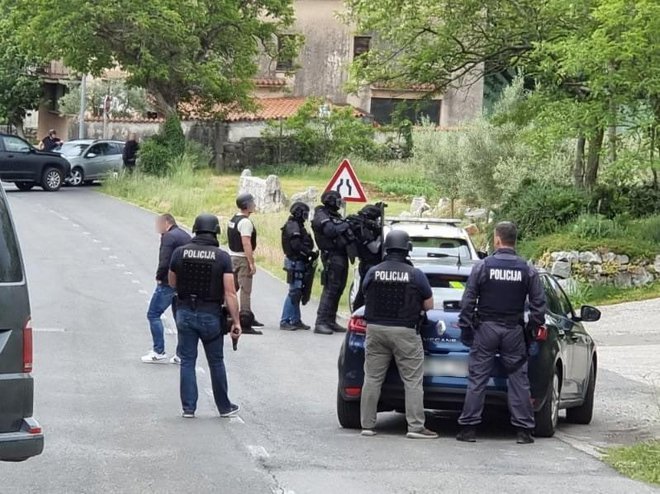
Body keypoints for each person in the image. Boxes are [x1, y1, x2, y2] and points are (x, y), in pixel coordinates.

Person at [456, 221, 546, 444]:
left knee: (477, 378)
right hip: (513, 329)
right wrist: (531, 329)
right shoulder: (526, 268)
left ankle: (468, 428)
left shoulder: (483, 266)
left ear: (497, 239)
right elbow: (538, 303)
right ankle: (524, 430)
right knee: (518, 378)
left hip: (486, 327)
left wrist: (467, 327)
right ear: (515, 240)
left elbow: (468, 300)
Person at [360, 230, 438, 439]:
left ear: (386, 248)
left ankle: (367, 425)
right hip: (404, 331)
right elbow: (429, 304)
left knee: (373, 378)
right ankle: (415, 427)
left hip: (375, 330)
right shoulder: (415, 274)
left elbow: (365, 295)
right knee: (412, 381)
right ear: (407, 250)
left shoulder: (373, 271)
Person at [168, 213, 242, 419]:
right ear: (216, 232)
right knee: (216, 362)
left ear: (195, 230)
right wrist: (236, 321)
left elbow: (172, 282)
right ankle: (224, 407)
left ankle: (188, 408)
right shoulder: (222, 257)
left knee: (188, 361)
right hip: (210, 314)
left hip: (184, 313)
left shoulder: (179, 253)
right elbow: (229, 292)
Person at [141, 214, 191, 364]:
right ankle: (181, 354)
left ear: (166, 223)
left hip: (169, 282)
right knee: (179, 318)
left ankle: (158, 350)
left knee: (153, 313)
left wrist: (159, 276)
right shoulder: (184, 235)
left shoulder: (168, 237)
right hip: (184, 282)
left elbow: (165, 260)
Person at [311, 190, 355, 335]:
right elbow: (330, 230)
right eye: (337, 200)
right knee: (330, 289)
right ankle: (321, 322)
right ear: (330, 201)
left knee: (339, 288)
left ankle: (330, 320)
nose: (339, 203)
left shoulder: (333, 215)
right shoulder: (321, 215)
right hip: (331, 256)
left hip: (341, 255)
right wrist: (345, 224)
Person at [227, 192, 264, 335]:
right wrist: (251, 262)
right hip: (242, 258)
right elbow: (246, 243)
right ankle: (245, 318)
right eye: (252, 203)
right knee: (245, 289)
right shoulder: (246, 222)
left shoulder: (233, 219)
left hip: (232, 256)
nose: (254, 205)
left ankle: (228, 312)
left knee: (232, 287)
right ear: (246, 206)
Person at [280, 202, 318, 331]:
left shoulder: (298, 225)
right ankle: (285, 320)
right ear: (299, 213)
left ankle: (296, 320)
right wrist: (309, 253)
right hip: (294, 262)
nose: (306, 216)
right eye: (304, 214)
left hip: (299, 261)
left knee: (298, 291)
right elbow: (296, 246)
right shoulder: (293, 226)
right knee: (294, 291)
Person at [347, 203, 384, 309]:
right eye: (377, 219)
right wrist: (381, 236)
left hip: (368, 264)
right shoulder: (363, 230)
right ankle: (358, 312)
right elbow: (374, 248)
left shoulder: (364, 228)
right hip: (368, 264)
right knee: (365, 291)